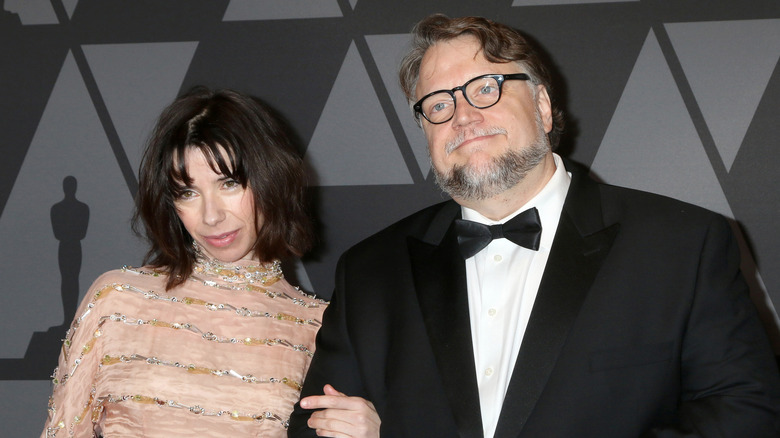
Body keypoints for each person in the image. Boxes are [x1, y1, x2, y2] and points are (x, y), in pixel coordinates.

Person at [288, 14, 780, 438]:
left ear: (543, 107)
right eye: (438, 105)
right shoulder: (371, 271)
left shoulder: (681, 245)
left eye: (486, 88)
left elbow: (744, 413)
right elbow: (313, 425)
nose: (463, 116)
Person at [41, 87, 327, 437]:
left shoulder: (318, 328)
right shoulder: (116, 301)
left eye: (229, 184)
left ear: (271, 179)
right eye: (187, 192)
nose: (211, 216)